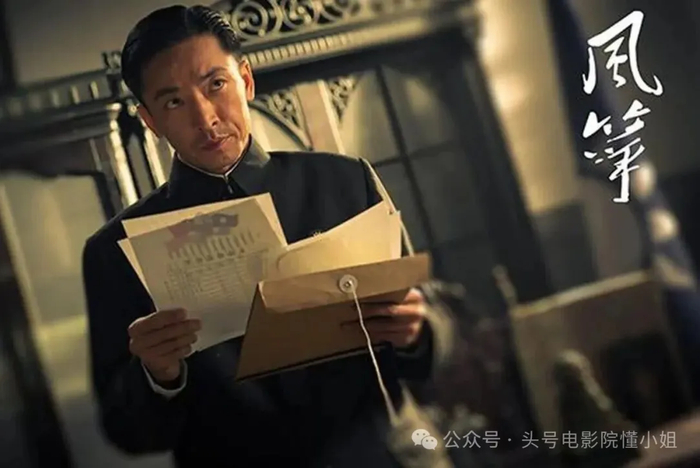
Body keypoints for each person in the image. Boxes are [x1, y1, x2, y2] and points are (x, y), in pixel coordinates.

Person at [82, 5, 455, 467]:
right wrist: (158, 375)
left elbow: (428, 328)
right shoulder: (114, 252)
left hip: (385, 453)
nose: (205, 117)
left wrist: (416, 331)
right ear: (150, 120)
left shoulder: (345, 181)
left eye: (215, 84)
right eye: (174, 102)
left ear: (246, 80)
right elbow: (126, 431)